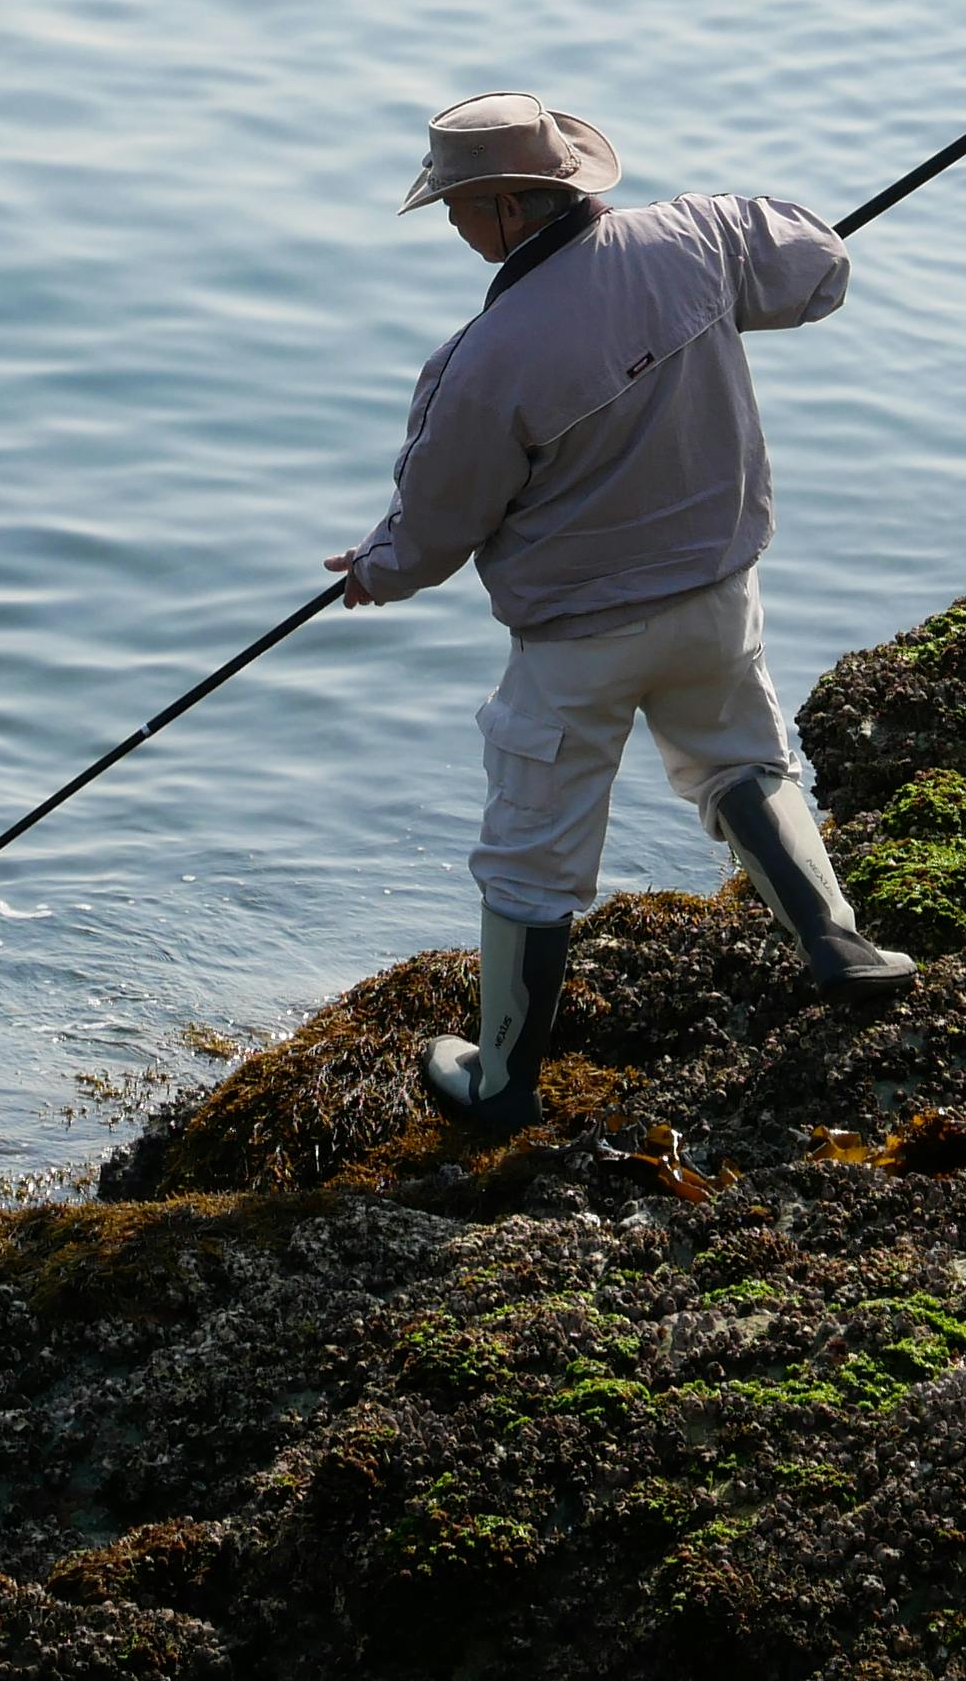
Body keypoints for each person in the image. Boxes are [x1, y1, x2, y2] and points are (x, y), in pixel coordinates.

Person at [328, 91, 913, 1134]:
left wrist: (375, 569)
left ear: (511, 207)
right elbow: (818, 268)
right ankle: (837, 944)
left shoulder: (480, 361)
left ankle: (501, 1081)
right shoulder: (699, 234)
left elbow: (434, 530)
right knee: (742, 760)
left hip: (577, 644)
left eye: (457, 205)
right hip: (715, 600)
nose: (452, 225)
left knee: (532, 847)